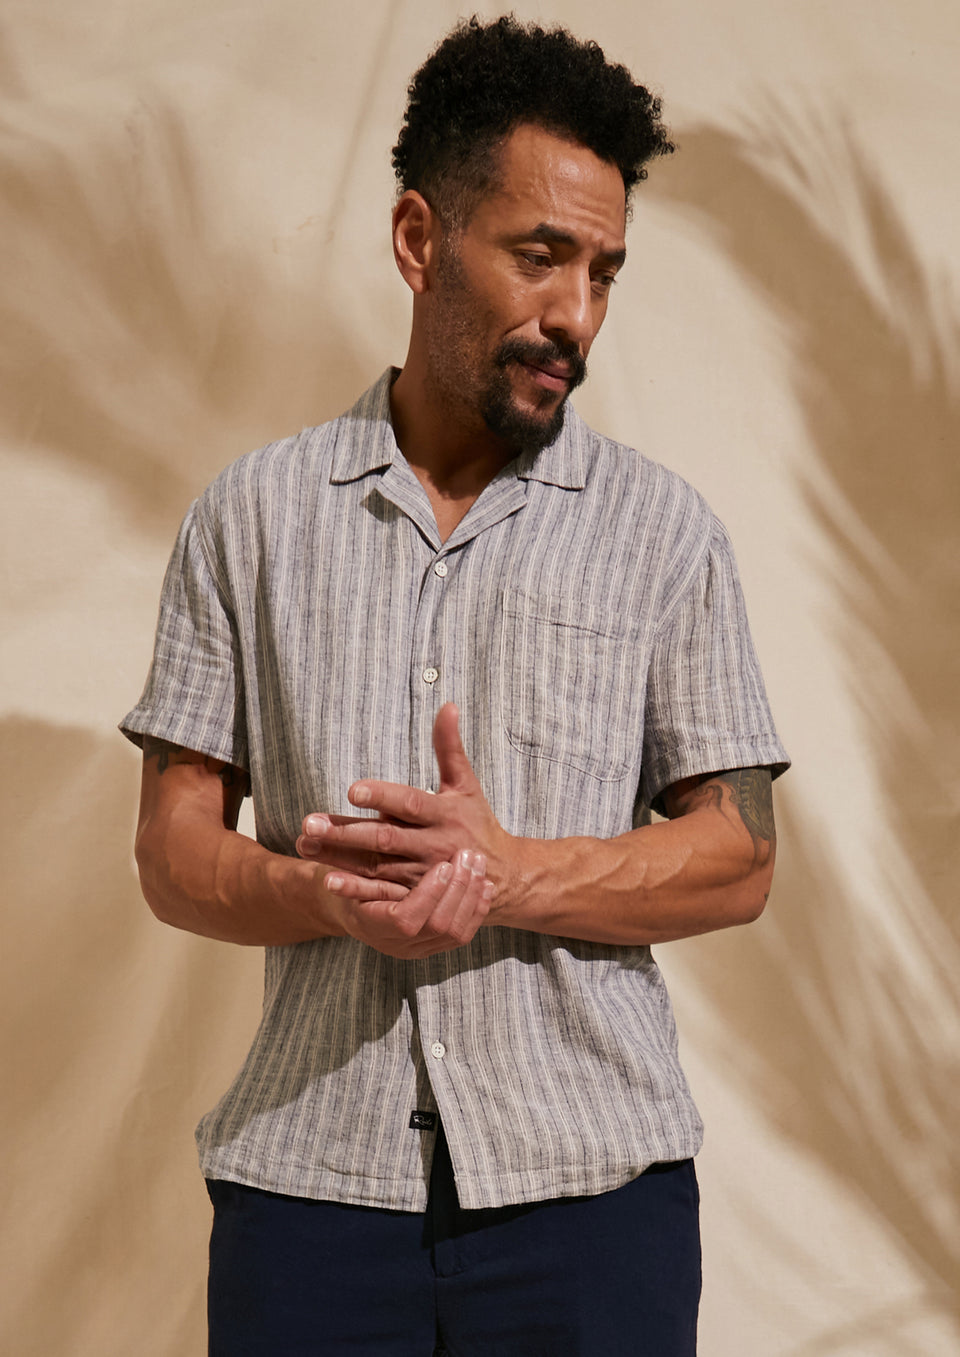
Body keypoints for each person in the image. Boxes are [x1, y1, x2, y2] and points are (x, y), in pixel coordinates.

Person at [123, 15, 788, 1356]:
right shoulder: (249, 519)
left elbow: (740, 856)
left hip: (592, 1202)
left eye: (603, 271)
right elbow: (172, 851)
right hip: (310, 1189)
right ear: (419, 237)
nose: (576, 314)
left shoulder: (667, 535)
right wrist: (330, 898)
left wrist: (509, 873)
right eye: (540, 256)